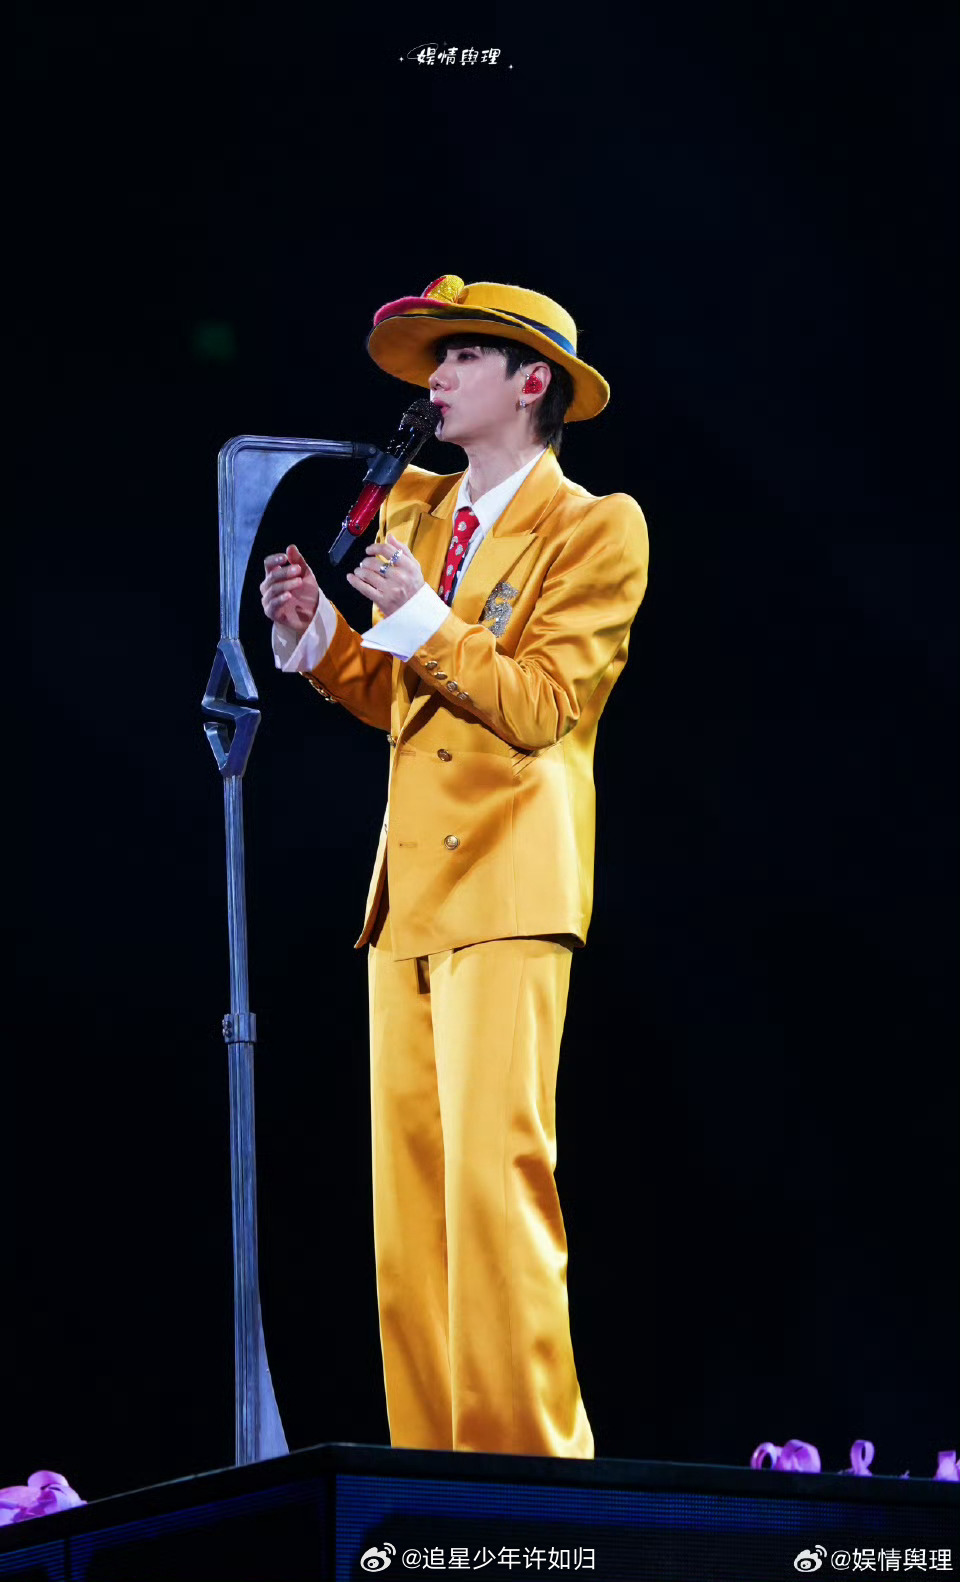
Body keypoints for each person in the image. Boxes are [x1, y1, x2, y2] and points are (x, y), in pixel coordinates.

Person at [260, 275, 649, 1458]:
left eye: (462, 356)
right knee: (412, 1209)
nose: (437, 377)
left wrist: (428, 616)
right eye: (435, 359)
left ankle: (534, 1475)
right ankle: (433, 1472)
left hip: (511, 886)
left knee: (493, 1187)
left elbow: (539, 707)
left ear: (532, 382)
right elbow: (401, 695)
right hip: (407, 898)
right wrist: (316, 635)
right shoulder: (418, 512)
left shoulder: (595, 526)